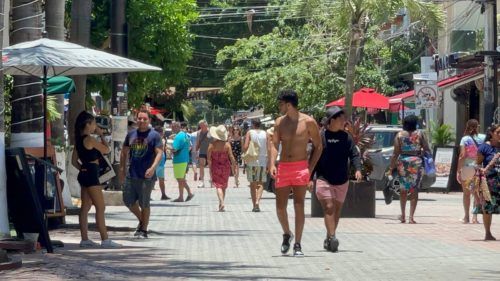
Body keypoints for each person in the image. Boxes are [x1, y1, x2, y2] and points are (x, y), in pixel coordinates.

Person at [269, 90, 322, 257]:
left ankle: (298, 244)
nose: (279, 106)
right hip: (283, 166)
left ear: (289, 104)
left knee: (299, 206)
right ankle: (287, 233)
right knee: (280, 207)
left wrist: (310, 168)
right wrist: (271, 163)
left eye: (281, 103)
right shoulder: (279, 122)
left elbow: (318, 146)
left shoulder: (308, 122)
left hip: (300, 167)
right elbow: (274, 144)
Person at [314, 106, 362, 252]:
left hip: (342, 179)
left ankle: (329, 237)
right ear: (332, 120)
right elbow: (313, 158)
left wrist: (358, 169)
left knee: (337, 210)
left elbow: (354, 154)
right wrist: (310, 178)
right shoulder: (321, 136)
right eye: (341, 119)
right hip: (324, 178)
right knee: (329, 208)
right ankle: (333, 237)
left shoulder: (346, 137)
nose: (344, 122)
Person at [72, 111, 121, 248]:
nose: (95, 126)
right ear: (88, 124)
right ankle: (105, 239)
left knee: (85, 207)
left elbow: (73, 161)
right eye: (93, 123)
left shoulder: (79, 140)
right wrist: (101, 134)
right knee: (100, 207)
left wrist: (83, 167)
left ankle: (85, 239)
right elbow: (106, 150)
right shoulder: (90, 139)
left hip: (84, 174)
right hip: (92, 175)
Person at [119, 110, 163, 239]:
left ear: (149, 120)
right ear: (136, 119)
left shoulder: (154, 135)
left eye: (144, 119)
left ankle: (143, 229)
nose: (142, 121)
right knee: (128, 200)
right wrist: (122, 169)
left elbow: (159, 153)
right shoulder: (131, 134)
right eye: (139, 118)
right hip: (131, 173)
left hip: (146, 175)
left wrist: (153, 168)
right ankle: (142, 221)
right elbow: (124, 151)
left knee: (144, 203)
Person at [388, 115, 431, 224]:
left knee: (403, 189)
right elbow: (426, 148)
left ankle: (403, 215)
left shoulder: (399, 135)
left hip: (403, 162)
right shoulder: (420, 134)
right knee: (414, 189)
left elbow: (395, 153)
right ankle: (411, 217)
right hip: (416, 162)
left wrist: (391, 167)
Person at [456, 119, 485, 223]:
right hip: (479, 166)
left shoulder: (465, 139)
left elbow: (462, 155)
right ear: (478, 126)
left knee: (466, 193)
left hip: (467, 167)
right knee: (476, 192)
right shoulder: (483, 137)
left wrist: (458, 170)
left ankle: (466, 217)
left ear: (467, 126)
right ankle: (475, 217)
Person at [475, 124, 500, 241]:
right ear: (491, 134)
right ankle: (488, 233)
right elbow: (477, 164)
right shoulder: (484, 148)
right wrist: (481, 170)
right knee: (488, 208)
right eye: (498, 132)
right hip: (490, 182)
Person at [208, 125, 237, 211]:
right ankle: (221, 203)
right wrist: (234, 166)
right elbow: (231, 157)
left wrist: (210, 169)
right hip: (226, 167)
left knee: (218, 186)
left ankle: (222, 203)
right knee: (223, 186)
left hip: (215, 167)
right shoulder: (227, 145)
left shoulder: (211, 145)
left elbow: (209, 159)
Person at [244, 119, 268, 211]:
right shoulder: (266, 134)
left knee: (252, 184)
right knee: (261, 183)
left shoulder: (249, 133)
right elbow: (269, 148)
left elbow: (246, 147)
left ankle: (254, 205)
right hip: (263, 160)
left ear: (253, 124)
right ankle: (258, 201)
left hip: (252, 161)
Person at [171, 121, 195, 202]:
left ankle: (189, 193)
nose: (172, 128)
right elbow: (189, 146)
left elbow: (174, 149)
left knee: (180, 179)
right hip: (185, 159)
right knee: (182, 179)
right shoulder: (185, 135)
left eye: (173, 126)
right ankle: (181, 196)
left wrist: (167, 148)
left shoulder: (178, 137)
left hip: (179, 160)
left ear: (178, 127)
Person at [154, 126, 170, 200]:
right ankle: (147, 196)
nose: (163, 133)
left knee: (161, 179)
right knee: (151, 180)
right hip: (156, 162)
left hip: (161, 163)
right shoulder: (153, 140)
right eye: (161, 132)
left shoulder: (162, 139)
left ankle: (163, 195)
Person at [196, 120, 210, 188]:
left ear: (206, 124)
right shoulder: (199, 133)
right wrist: (196, 151)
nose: (201, 126)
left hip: (210, 151)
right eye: (200, 125)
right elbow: (198, 142)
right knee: (201, 166)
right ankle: (202, 182)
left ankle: (212, 180)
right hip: (202, 151)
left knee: (211, 166)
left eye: (202, 125)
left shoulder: (211, 131)